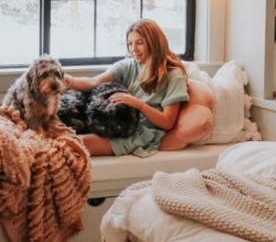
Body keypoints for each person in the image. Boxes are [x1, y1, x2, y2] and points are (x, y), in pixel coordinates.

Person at [63, 19, 189, 157]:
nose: (133, 49)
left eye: (140, 42)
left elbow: (167, 122)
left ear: (154, 42)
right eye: (130, 43)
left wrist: (138, 104)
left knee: (74, 144)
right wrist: (67, 80)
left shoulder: (174, 76)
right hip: (116, 122)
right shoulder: (127, 66)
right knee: (63, 134)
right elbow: (93, 82)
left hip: (142, 134)